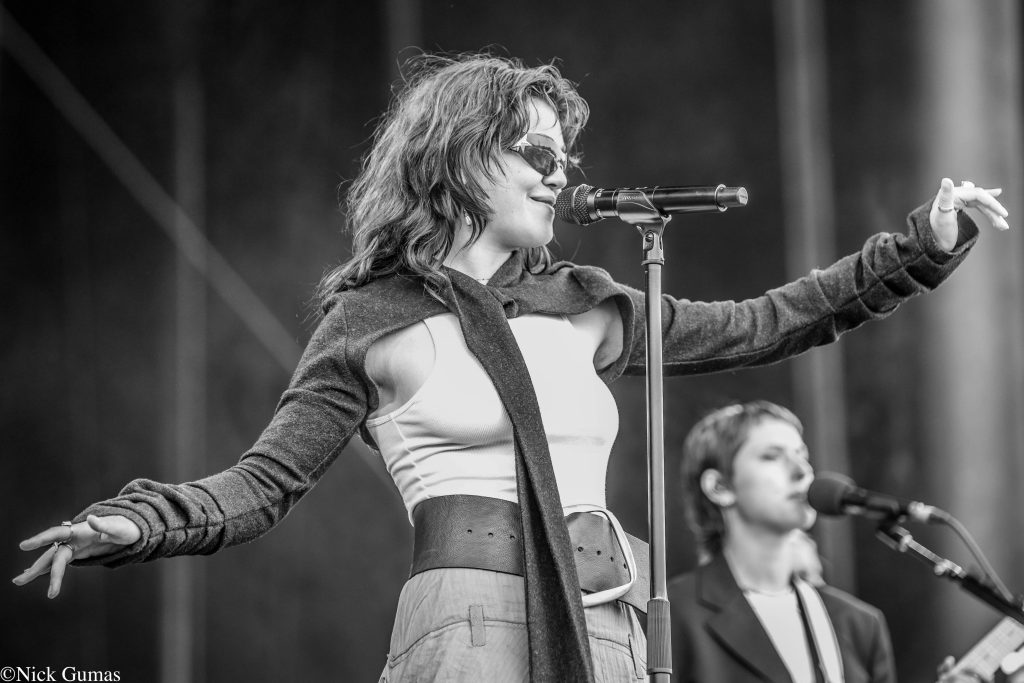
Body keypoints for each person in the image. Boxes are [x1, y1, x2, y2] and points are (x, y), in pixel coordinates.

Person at [12, 52, 1010, 683]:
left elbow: (765, 323)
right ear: (461, 158)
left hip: (608, 621)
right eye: (534, 152)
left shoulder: (585, 304)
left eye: (564, 157)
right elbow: (263, 482)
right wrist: (143, 519)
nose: (558, 173)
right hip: (467, 620)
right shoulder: (372, 319)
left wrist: (915, 248)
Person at [668, 402, 897, 683]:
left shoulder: (859, 624)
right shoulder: (670, 615)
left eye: (802, 455)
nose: (802, 471)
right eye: (772, 456)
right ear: (720, 487)